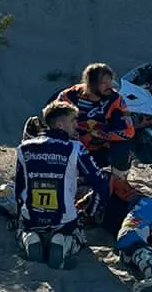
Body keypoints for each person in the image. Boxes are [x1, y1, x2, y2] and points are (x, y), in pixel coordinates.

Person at [11, 99, 127, 267]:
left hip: (32, 218)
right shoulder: (75, 148)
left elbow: (19, 188)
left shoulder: (24, 148)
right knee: (78, 237)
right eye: (73, 121)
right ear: (60, 125)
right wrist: (89, 211)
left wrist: (21, 213)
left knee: (22, 229)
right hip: (64, 220)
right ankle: (63, 243)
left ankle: (30, 238)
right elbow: (100, 184)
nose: (76, 125)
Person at [58, 63, 135, 172]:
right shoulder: (68, 97)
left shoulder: (116, 100)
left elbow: (128, 131)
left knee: (122, 147)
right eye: (104, 83)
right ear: (91, 83)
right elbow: (55, 123)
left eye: (110, 82)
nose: (109, 86)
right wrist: (78, 138)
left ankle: (118, 178)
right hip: (74, 146)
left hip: (101, 147)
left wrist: (97, 134)